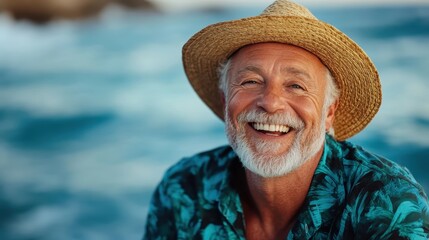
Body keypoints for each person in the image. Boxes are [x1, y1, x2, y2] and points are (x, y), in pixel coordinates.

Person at [143, 0, 429, 239]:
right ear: (224, 101)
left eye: (296, 85)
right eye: (251, 81)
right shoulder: (183, 188)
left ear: (329, 112)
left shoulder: (387, 200)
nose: (270, 102)